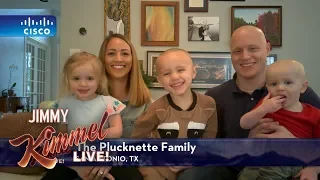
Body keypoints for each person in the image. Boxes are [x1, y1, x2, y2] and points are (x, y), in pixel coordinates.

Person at [177, 25, 320, 180]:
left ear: (267, 48)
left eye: (253, 48)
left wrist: (293, 142)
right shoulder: (214, 96)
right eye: (237, 51)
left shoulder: (297, 92)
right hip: (229, 169)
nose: (245, 56)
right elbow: (208, 144)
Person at [42, 34, 152, 180]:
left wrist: (110, 158)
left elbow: (147, 148)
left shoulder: (147, 104)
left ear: (133, 60)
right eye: (111, 53)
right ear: (103, 60)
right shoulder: (74, 100)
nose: (118, 58)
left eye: (125, 53)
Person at [131, 48, 218, 180]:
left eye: (181, 70)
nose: (175, 77)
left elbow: (209, 140)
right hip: (157, 169)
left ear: (193, 72)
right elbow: (137, 138)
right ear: (160, 80)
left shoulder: (208, 105)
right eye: (166, 73)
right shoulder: (157, 108)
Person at [42, 52, 126, 180]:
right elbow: (62, 134)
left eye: (90, 79)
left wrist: (91, 134)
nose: (83, 84)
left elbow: (117, 130)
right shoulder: (64, 103)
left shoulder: (109, 102)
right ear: (67, 80)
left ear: (99, 80)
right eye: (76, 78)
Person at [238, 60, 320, 179]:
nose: (280, 88)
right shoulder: (265, 105)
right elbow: (244, 124)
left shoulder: (314, 114)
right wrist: (262, 109)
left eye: (288, 82)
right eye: (273, 84)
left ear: (303, 87)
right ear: (267, 88)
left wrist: (314, 169)